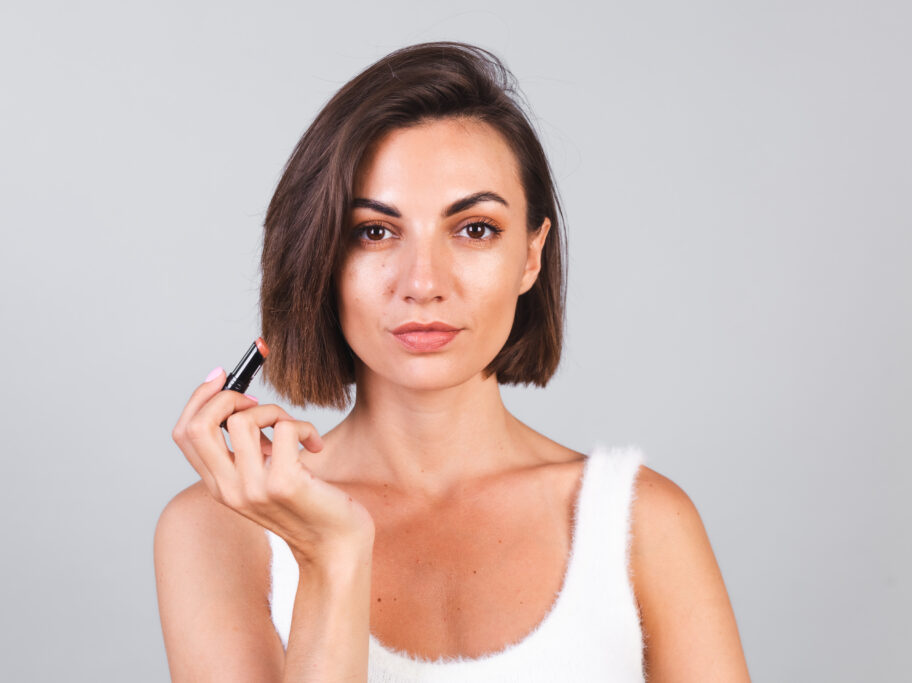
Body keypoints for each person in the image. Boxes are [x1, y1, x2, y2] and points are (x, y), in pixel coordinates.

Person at [154, 41, 750, 682]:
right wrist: (331, 557)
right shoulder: (221, 531)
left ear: (530, 255)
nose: (423, 283)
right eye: (374, 231)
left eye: (474, 229)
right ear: (320, 258)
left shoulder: (643, 524)